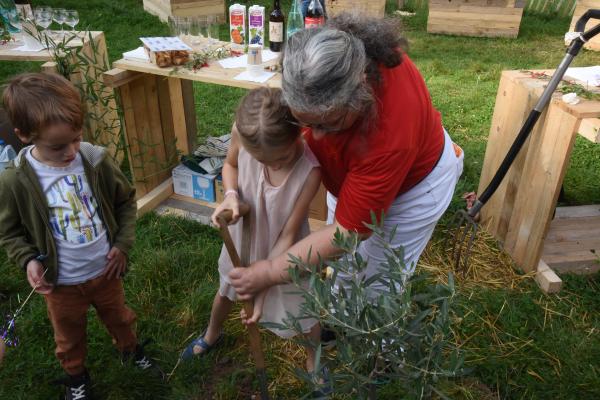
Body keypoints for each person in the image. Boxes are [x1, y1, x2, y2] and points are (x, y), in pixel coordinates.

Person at [227, 14, 464, 311]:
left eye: (329, 123)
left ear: (361, 88)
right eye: (304, 122)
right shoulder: (333, 55)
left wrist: (271, 271)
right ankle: (343, 323)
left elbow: (348, 233)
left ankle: (382, 352)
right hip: (357, 175)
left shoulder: (389, 135)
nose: (318, 138)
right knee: (343, 268)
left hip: (413, 191)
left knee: (379, 286)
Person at [0, 73, 158, 400]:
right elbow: (10, 232)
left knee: (120, 318)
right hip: (61, 285)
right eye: (58, 146)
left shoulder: (93, 160)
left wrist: (122, 244)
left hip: (105, 272)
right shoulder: (15, 181)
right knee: (68, 335)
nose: (71, 151)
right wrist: (28, 259)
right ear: (24, 136)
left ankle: (130, 349)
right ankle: (76, 376)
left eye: (77, 138)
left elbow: (125, 201)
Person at [181, 88, 324, 378]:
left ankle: (314, 360)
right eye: (260, 160)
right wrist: (231, 195)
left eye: (279, 158)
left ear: (297, 134)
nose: (270, 165)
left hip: (283, 252)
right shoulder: (241, 133)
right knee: (226, 290)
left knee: (303, 309)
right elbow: (230, 164)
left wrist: (262, 289)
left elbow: (288, 234)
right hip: (243, 240)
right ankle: (212, 333)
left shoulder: (310, 172)